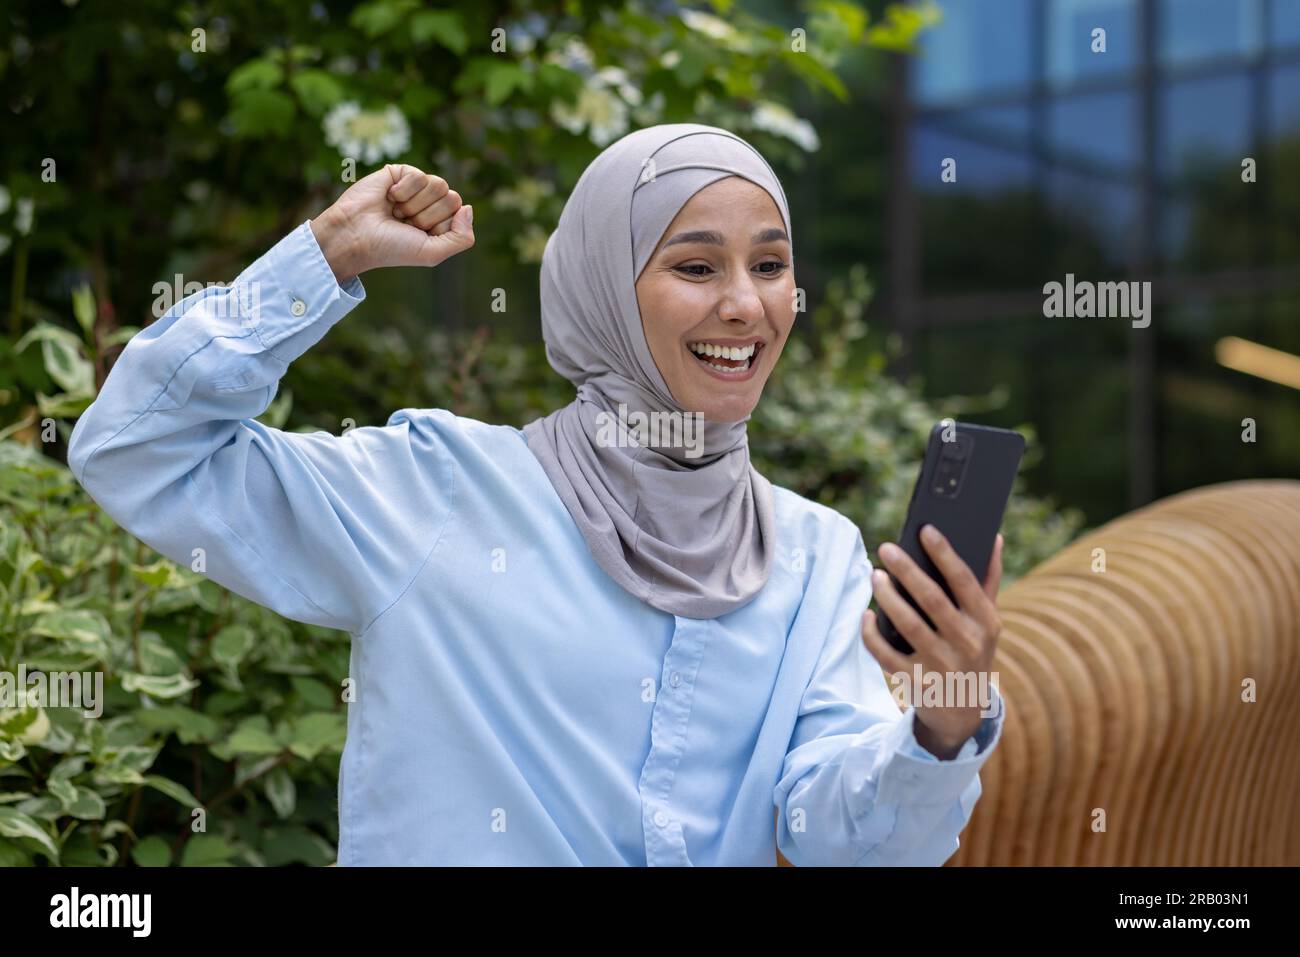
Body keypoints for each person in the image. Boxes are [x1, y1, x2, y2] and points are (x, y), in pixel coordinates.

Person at [67, 123, 1006, 866]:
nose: (745, 305)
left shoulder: (813, 553)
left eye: (769, 266)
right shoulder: (436, 491)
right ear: (604, 287)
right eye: (694, 265)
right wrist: (327, 256)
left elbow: (844, 840)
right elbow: (137, 448)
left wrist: (944, 718)